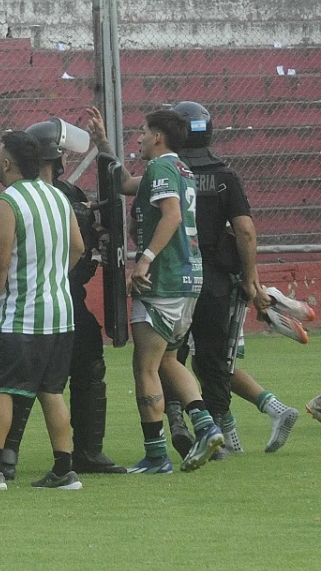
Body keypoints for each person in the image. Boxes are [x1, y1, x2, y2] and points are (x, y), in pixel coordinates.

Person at [0, 130, 85, 492]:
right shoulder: (58, 196)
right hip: (61, 313)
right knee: (51, 391)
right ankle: (64, 470)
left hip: (24, 315)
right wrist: (53, 275)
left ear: (6, 162)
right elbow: (78, 248)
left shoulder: (8, 202)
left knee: (1, 389)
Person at [162, 101, 296, 457]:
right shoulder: (225, 176)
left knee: (169, 354)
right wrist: (251, 279)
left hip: (175, 276)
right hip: (215, 280)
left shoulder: (167, 171)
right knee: (214, 356)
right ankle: (218, 427)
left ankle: (176, 419)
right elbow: (245, 230)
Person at [0, 117, 125, 478]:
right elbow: (82, 246)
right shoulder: (58, 196)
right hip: (60, 297)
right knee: (35, 382)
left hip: (51, 297)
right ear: (55, 159)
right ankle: (69, 453)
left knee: (40, 379)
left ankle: (16, 456)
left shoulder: (47, 195)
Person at [102, 108, 218, 474]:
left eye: (143, 130)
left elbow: (171, 215)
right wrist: (102, 142)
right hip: (189, 281)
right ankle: (206, 426)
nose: (138, 137)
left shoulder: (162, 169)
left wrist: (145, 259)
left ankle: (156, 456)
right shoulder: (180, 169)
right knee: (168, 359)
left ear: (159, 137)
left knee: (146, 367)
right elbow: (123, 184)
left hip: (163, 281)